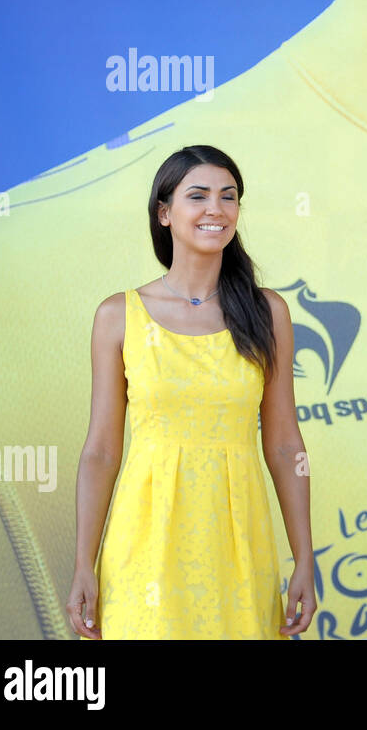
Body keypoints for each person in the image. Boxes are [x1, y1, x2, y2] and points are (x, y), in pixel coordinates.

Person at [67, 145, 316, 639]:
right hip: (144, 546)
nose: (215, 209)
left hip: (239, 544)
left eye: (228, 197)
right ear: (165, 212)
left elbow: (286, 444)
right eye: (197, 196)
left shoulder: (268, 312)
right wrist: (83, 564)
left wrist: (304, 557)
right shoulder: (119, 316)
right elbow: (100, 451)